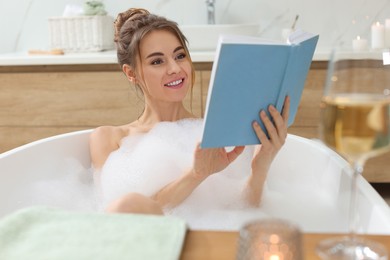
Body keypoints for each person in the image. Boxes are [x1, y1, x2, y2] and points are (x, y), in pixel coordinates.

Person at [89, 8, 290, 216]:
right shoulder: (109, 138)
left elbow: (243, 212)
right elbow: (115, 215)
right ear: (131, 74)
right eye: (157, 61)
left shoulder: (218, 137)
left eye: (180, 55)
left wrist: (260, 167)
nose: (175, 68)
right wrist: (196, 174)